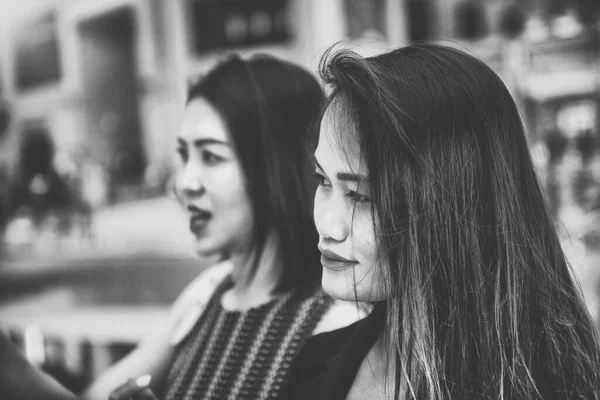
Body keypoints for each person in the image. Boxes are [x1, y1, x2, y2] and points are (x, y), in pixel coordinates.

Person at [303, 43, 600, 399]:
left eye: (361, 196)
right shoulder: (312, 364)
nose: (327, 226)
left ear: (451, 204)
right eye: (323, 180)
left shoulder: (552, 385)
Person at [82, 54, 364, 400]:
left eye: (211, 157)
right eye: (184, 155)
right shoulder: (210, 289)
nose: (185, 183)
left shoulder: (335, 323)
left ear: (276, 167)